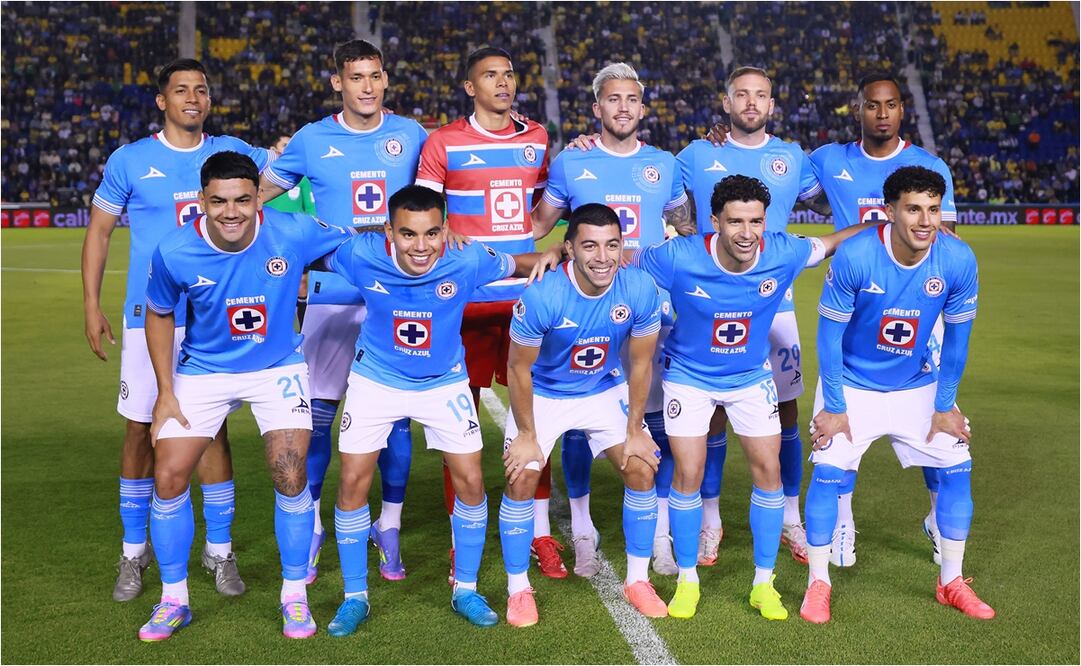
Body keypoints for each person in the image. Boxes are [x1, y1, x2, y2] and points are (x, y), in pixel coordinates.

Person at [630, 175, 874, 620]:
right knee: (688, 471)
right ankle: (688, 581)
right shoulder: (679, 256)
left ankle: (764, 584)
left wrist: (887, 224)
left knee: (769, 471)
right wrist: (560, 255)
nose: (747, 233)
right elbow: (625, 260)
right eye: (736, 221)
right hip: (689, 377)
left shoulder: (783, 251)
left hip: (750, 376)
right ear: (715, 221)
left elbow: (834, 240)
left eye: (756, 221)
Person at [318, 185, 550, 636]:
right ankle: (354, 597)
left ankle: (465, 588)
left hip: (443, 381)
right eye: (407, 234)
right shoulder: (361, 254)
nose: (420, 247)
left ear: (446, 230)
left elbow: (519, 262)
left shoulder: (466, 258)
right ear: (388, 230)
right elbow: (308, 252)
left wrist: (551, 254)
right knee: (352, 481)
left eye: (431, 234)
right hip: (375, 380)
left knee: (471, 480)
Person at [138, 151, 351, 641]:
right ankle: (174, 600)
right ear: (201, 200)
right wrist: (165, 392)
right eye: (218, 202)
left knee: (289, 472)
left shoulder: (292, 231)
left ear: (259, 197)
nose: (231, 212)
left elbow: (360, 238)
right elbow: (158, 313)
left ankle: (294, 596)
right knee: (168, 476)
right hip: (204, 371)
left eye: (242, 200)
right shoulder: (175, 251)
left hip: (276, 367)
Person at [83, 58, 271, 603]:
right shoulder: (131, 160)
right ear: (162, 101)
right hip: (149, 320)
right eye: (181, 90)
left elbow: (286, 176)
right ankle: (133, 552)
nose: (193, 97)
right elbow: (99, 233)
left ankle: (219, 549)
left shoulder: (234, 154)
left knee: (212, 431)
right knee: (140, 429)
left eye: (202, 89)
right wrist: (91, 304)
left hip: (215, 315)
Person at [260, 39, 429, 584]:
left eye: (375, 76)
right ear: (338, 82)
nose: (367, 86)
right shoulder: (311, 139)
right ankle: (310, 528)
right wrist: (263, 161)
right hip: (331, 300)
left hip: (394, 299)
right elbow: (259, 194)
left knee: (395, 426)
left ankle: (390, 525)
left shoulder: (411, 135)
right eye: (356, 77)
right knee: (318, 424)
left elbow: (440, 196)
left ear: (385, 80)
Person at [800, 166, 994, 623]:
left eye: (933, 209)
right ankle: (818, 583)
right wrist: (833, 406)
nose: (925, 221)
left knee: (957, 464)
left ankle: (951, 581)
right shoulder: (856, 255)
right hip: (851, 384)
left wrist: (945, 406)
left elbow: (958, 343)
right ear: (889, 212)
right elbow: (828, 340)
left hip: (916, 383)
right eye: (913, 209)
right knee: (827, 470)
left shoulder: (958, 259)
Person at [531, 62, 691, 579]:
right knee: (578, 424)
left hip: (651, 308)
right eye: (612, 99)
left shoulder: (665, 165)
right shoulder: (570, 163)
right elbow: (538, 227)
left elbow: (688, 228)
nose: (622, 108)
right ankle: (582, 530)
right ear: (597, 107)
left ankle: (661, 532)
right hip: (588, 309)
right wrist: (556, 247)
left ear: (642, 108)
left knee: (657, 421)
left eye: (632, 100)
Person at [677, 66, 831, 567]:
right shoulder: (697, 154)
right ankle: (710, 521)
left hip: (774, 305)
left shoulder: (793, 158)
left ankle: (790, 518)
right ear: (725, 103)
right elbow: (661, 196)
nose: (750, 103)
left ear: (772, 104)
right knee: (711, 412)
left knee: (786, 413)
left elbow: (846, 188)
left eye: (760, 95)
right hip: (707, 301)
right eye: (741, 94)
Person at [809, 73, 959, 568]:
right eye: (873, 105)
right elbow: (779, 175)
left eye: (891, 104)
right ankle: (844, 522)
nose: (882, 113)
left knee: (936, 426)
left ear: (902, 110)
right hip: (855, 306)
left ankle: (939, 520)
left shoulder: (929, 165)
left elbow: (946, 239)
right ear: (859, 110)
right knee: (843, 424)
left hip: (919, 310)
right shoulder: (831, 160)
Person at [415, 46, 553, 580]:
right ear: (470, 87)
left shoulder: (536, 138)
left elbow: (540, 215)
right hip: (464, 303)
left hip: (523, 300)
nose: (503, 82)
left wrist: (532, 250)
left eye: (509, 74)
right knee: (459, 422)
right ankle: (459, 538)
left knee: (532, 418)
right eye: (490, 76)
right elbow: (424, 215)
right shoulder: (443, 142)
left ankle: (540, 533)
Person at [502, 203, 665, 626]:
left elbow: (642, 364)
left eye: (612, 245)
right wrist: (525, 434)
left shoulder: (639, 289)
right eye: (589, 245)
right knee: (521, 475)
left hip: (601, 386)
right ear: (569, 248)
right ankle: (518, 588)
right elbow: (518, 369)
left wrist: (634, 430)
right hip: (544, 392)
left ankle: (636, 580)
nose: (602, 257)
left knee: (642, 467)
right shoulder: (543, 295)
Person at [264, 135, 316, 215]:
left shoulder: (302, 176)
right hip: (269, 226)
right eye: (285, 145)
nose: (290, 149)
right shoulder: (260, 177)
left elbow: (311, 208)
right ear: (273, 150)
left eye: (291, 145)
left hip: (296, 227)